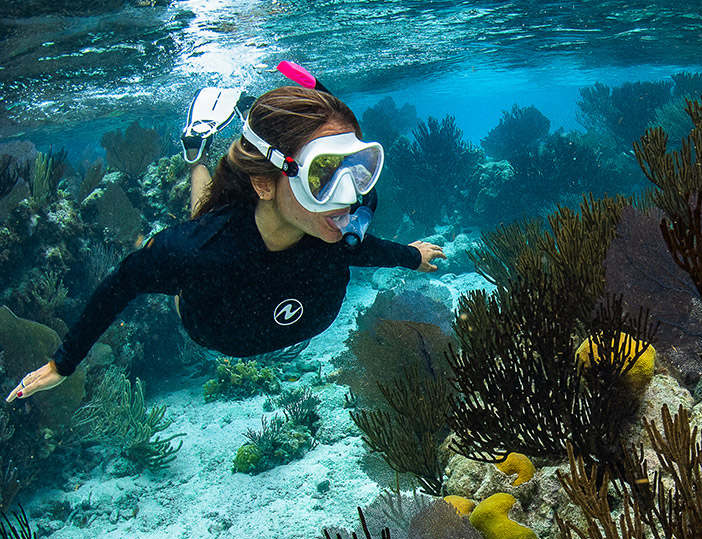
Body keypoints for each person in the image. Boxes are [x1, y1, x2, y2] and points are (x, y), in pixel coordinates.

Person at [5, 86, 445, 403]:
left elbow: (365, 249)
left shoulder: (331, 234)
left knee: (211, 218)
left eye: (357, 167)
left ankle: (202, 151)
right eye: (323, 175)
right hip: (208, 321)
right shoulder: (194, 253)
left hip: (251, 264)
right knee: (205, 220)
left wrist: (412, 256)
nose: (349, 195)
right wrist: (63, 363)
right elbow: (123, 282)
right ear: (264, 182)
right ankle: (195, 152)